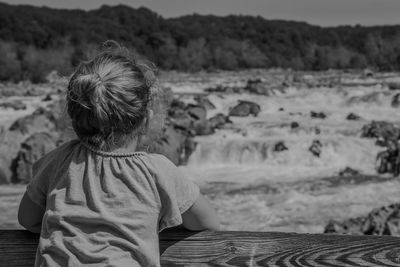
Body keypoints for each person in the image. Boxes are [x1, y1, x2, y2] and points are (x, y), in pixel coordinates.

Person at [18, 41, 219, 267]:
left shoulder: (58, 161)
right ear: (146, 119)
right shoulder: (157, 170)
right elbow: (208, 222)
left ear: (74, 118)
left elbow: (27, 219)